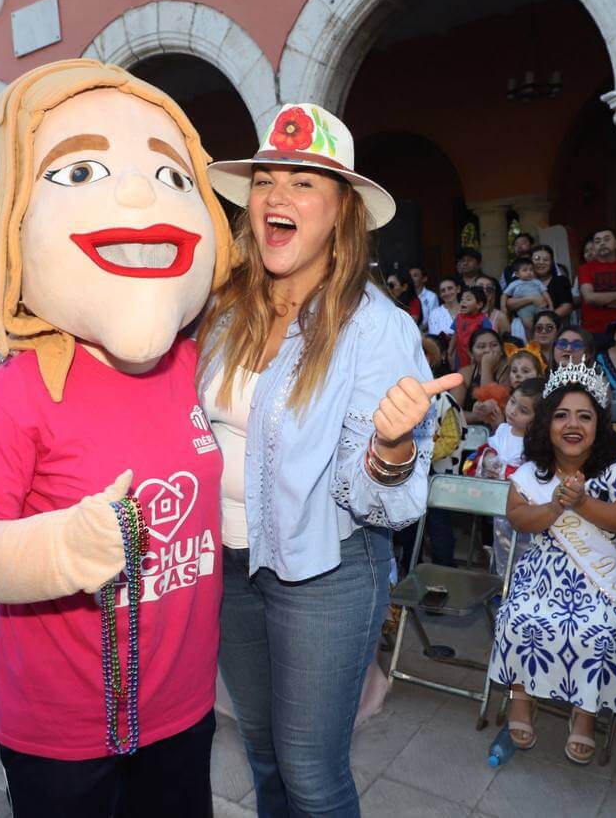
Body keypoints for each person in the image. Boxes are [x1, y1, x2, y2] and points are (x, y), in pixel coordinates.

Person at [0, 60, 238, 817]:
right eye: (84, 170)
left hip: (182, 708)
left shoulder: (202, 367)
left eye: (172, 177)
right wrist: (63, 547)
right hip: (60, 730)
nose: (137, 195)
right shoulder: (19, 390)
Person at [194, 100, 449, 818]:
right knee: (263, 753)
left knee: (311, 771)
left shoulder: (375, 328)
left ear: (342, 213)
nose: (278, 194)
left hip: (326, 571)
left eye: (304, 182)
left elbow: (385, 503)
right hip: (231, 565)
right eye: (266, 177)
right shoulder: (223, 311)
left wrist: (391, 444)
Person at [494, 362, 616, 764]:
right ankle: (520, 700)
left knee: (599, 628)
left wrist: (582, 503)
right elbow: (517, 518)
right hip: (542, 570)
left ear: (600, 425)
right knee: (517, 616)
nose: (572, 424)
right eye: (561, 415)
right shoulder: (532, 473)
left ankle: (584, 714)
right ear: (547, 424)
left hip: (604, 577)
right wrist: (552, 506)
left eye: (584, 416)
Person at [502, 257, 551, 332]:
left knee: (544, 321)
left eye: (531, 270)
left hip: (539, 306)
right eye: (525, 270)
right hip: (524, 308)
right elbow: (504, 294)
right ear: (517, 274)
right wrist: (503, 307)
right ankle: (531, 341)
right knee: (528, 325)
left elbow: (544, 292)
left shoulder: (536, 282)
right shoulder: (514, 284)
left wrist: (551, 305)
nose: (529, 272)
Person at [450, 286, 492, 369]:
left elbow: (488, 339)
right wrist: (450, 351)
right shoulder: (458, 317)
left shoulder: (483, 320)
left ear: (479, 305)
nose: (463, 302)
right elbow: (456, 335)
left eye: (468, 299)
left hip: (476, 358)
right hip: (460, 357)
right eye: (462, 299)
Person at [530, 245, 574, 320]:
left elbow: (567, 306)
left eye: (546, 259)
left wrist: (545, 321)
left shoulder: (561, 281)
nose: (541, 262)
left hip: (553, 325)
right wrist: (529, 299)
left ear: (552, 263)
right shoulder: (522, 282)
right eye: (537, 259)